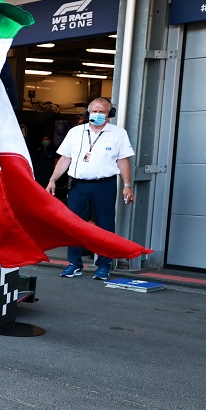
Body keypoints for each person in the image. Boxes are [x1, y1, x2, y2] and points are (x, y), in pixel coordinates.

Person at [46, 97, 135, 280]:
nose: (97, 114)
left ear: (109, 114)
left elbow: (123, 160)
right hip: (79, 185)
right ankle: (74, 263)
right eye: (94, 111)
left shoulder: (118, 134)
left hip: (104, 185)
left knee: (105, 225)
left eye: (102, 111)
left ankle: (103, 265)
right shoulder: (75, 132)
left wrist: (127, 185)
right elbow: (65, 158)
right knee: (74, 225)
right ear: (88, 113)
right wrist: (53, 179)